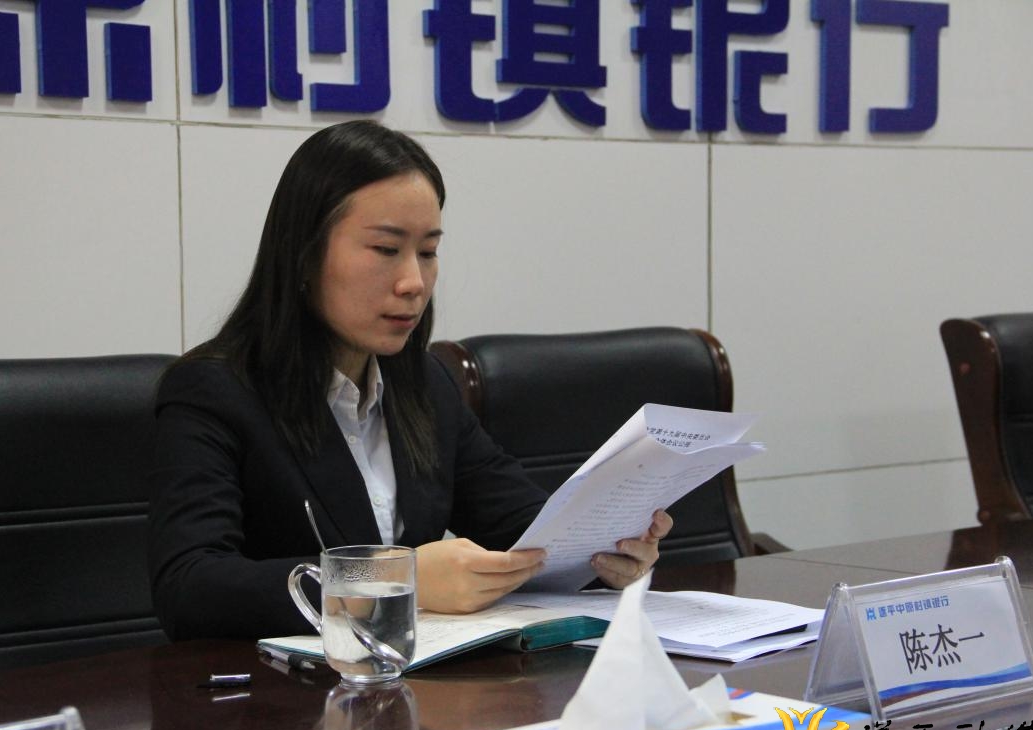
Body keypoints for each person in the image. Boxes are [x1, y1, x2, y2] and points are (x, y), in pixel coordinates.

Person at [147, 120, 673, 641]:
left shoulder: (424, 383)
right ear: (303, 255)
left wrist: (606, 550)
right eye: (385, 250)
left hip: (412, 677)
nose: (413, 283)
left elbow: (525, 530)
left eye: (428, 252)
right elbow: (190, 586)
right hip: (278, 686)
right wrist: (397, 578)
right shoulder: (214, 391)